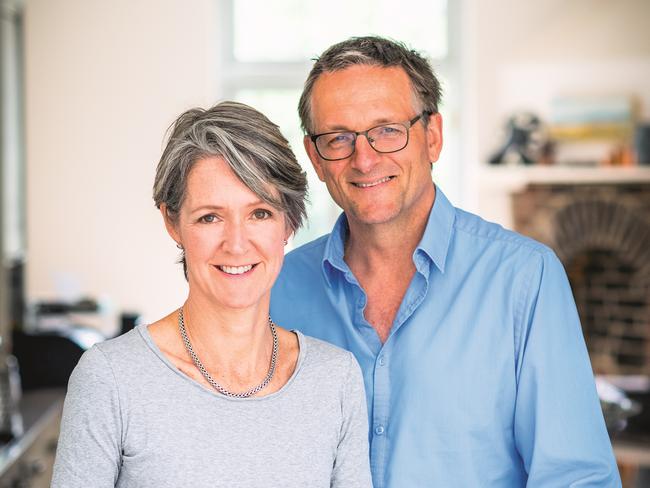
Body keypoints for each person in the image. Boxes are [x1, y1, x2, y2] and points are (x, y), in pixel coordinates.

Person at [271, 36, 621, 487]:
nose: (364, 158)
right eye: (338, 138)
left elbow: (577, 478)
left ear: (432, 137)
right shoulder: (278, 290)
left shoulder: (524, 279)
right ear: (316, 158)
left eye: (387, 131)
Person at [52, 101, 372, 488]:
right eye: (210, 217)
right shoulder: (111, 379)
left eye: (260, 213)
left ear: (288, 222)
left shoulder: (335, 380)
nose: (237, 245)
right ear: (173, 222)